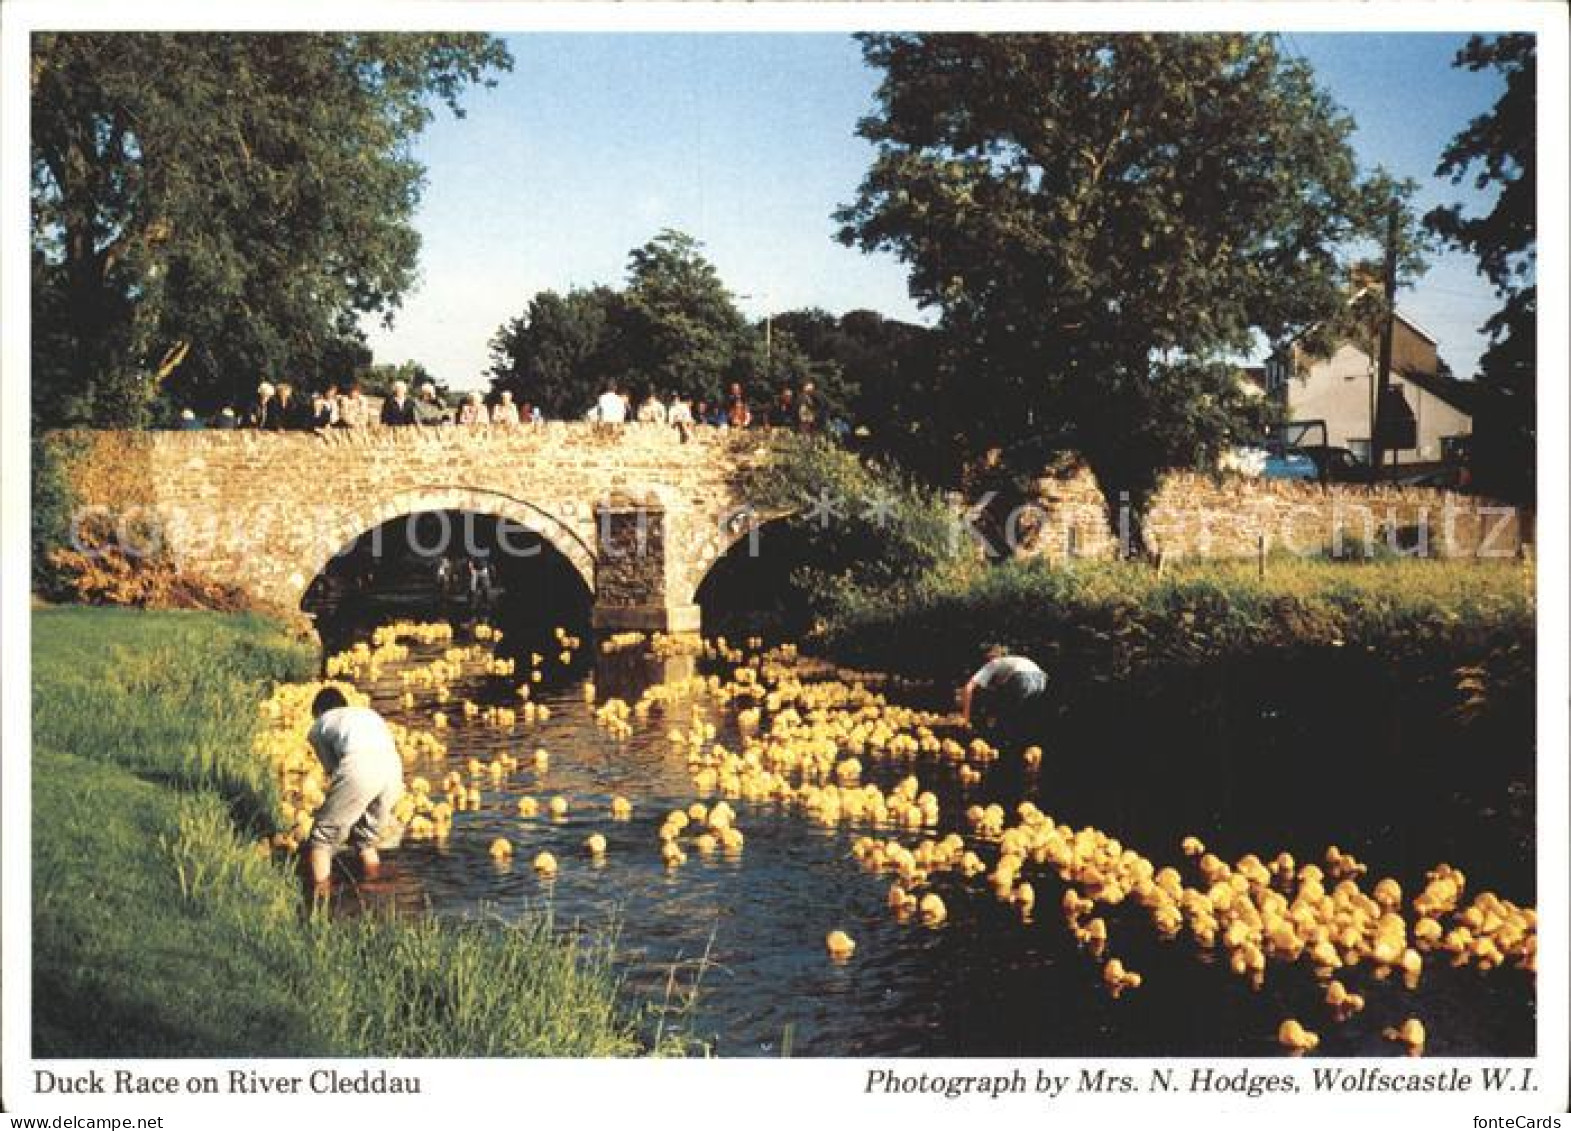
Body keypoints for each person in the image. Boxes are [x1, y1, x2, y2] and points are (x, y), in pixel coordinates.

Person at [303, 687, 406, 891]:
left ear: (318, 711)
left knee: (322, 839)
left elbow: (334, 771)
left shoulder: (318, 726)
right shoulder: (368, 714)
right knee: (364, 841)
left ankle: (320, 904)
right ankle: (373, 888)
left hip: (359, 767)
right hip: (394, 771)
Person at [959, 645, 1048, 737]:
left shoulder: (992, 663)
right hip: (1041, 680)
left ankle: (992, 735)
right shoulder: (1009, 662)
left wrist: (966, 718)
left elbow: (968, 688)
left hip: (1022, 677)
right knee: (1019, 714)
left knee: (1001, 711)